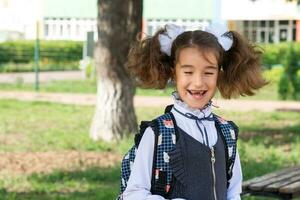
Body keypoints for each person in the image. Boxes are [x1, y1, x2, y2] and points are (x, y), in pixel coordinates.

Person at [122, 23, 267, 200]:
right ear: (174, 74)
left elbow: (233, 191)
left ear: (218, 75)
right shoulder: (158, 133)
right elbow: (133, 194)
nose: (198, 82)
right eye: (188, 72)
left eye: (208, 72)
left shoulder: (226, 133)